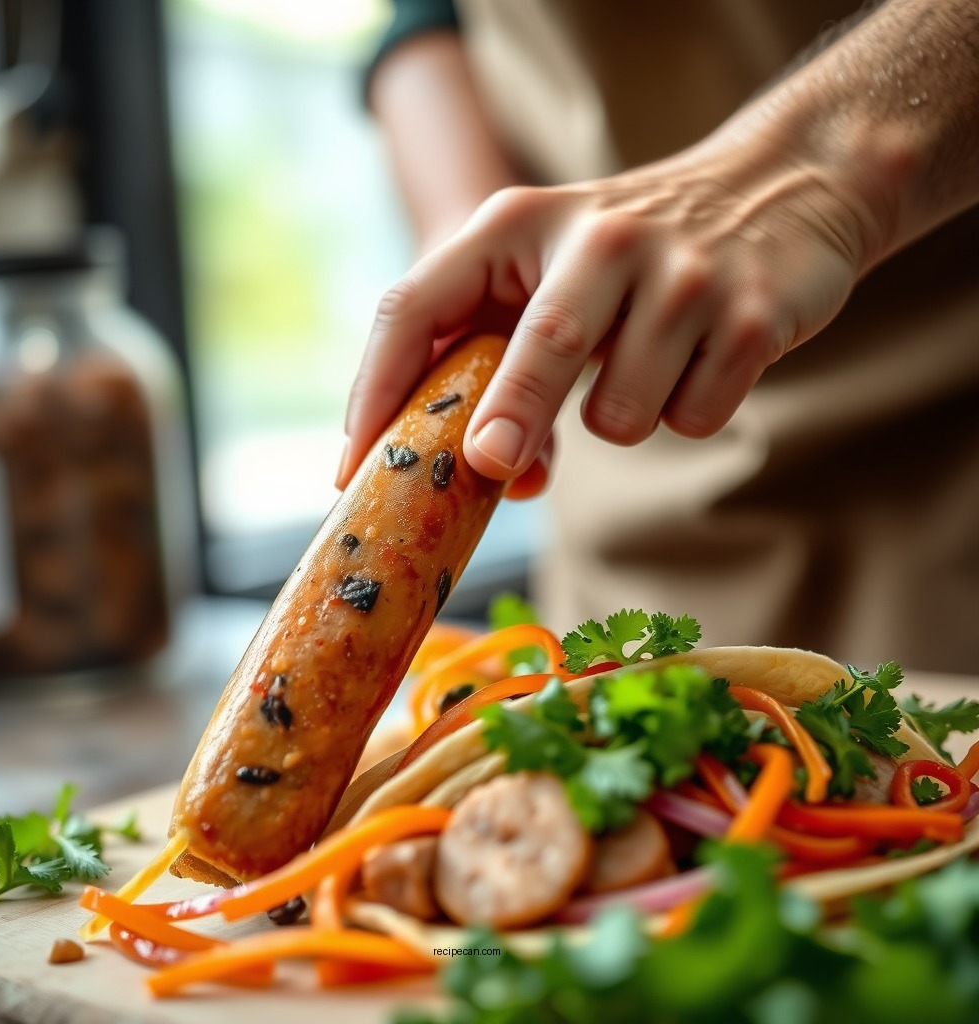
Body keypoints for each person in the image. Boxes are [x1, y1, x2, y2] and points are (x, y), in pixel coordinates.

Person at [338, 0, 979, 672]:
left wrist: (821, 161)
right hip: (607, 483)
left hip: (934, 471)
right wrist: (465, 220)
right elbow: (424, 17)